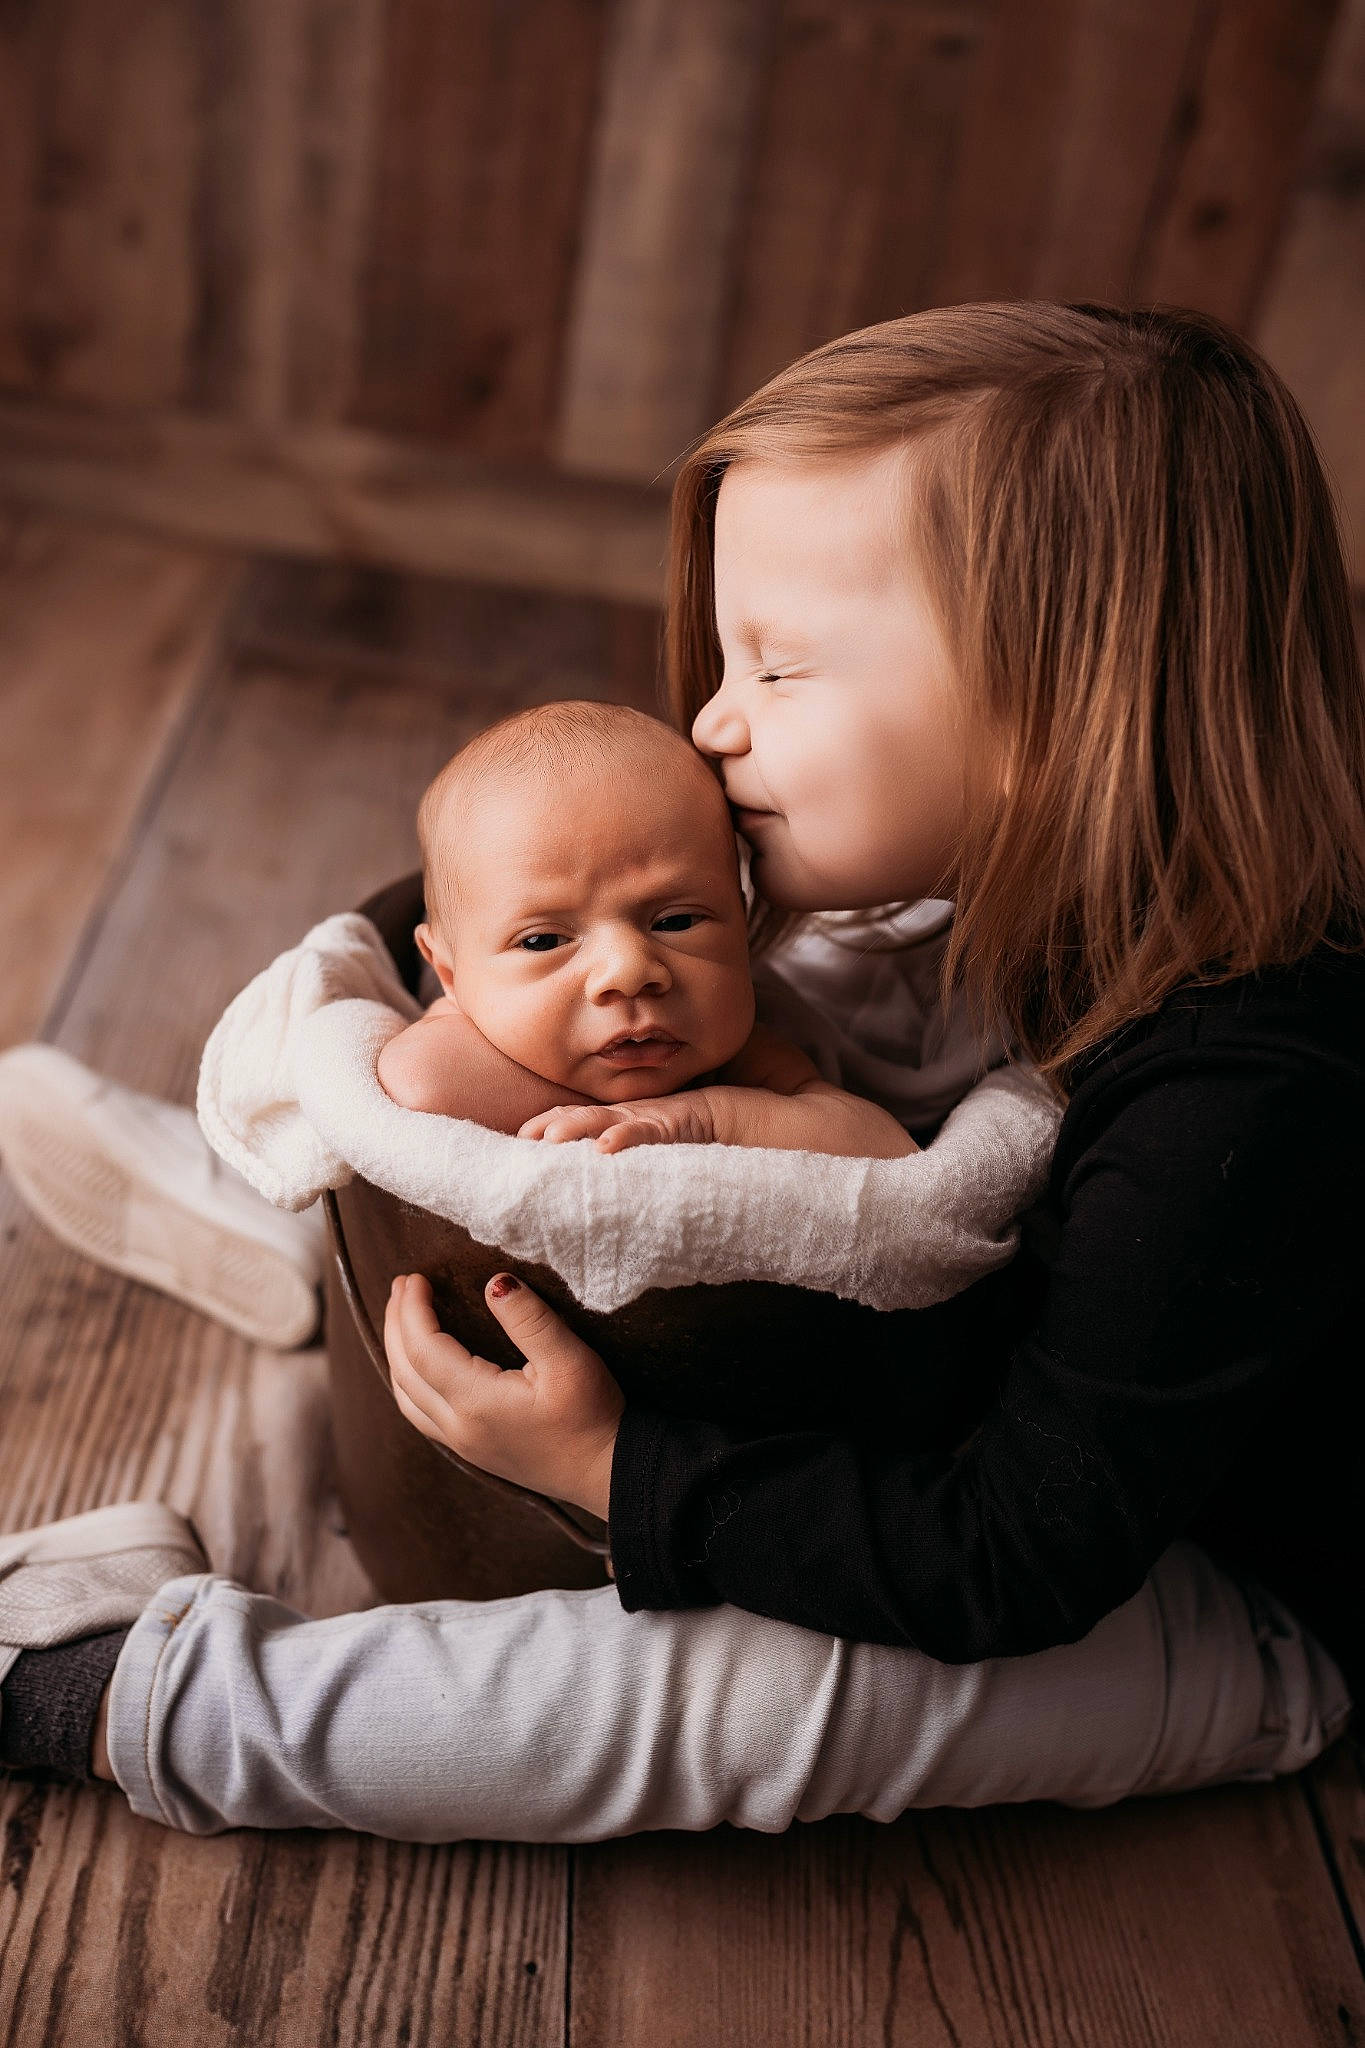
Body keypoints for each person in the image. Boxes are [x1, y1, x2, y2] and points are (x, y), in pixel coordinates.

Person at [0, 301, 1359, 1839]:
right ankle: (335, 1230)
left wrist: (615, 1466)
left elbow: (1012, 1556)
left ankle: (105, 1678)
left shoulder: (1250, 1095)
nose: (712, 720)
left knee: (730, 1703)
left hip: (1217, 1575)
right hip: (995, 1388)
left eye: (776, 668)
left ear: (1051, 705)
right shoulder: (1039, 873)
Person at [376, 696, 916, 1159]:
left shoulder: (745, 1054)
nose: (629, 971)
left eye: (676, 922)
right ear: (450, 973)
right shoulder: (467, 1033)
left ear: (743, 927)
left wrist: (693, 1120)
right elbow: (419, 1080)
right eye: (544, 941)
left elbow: (886, 1147)